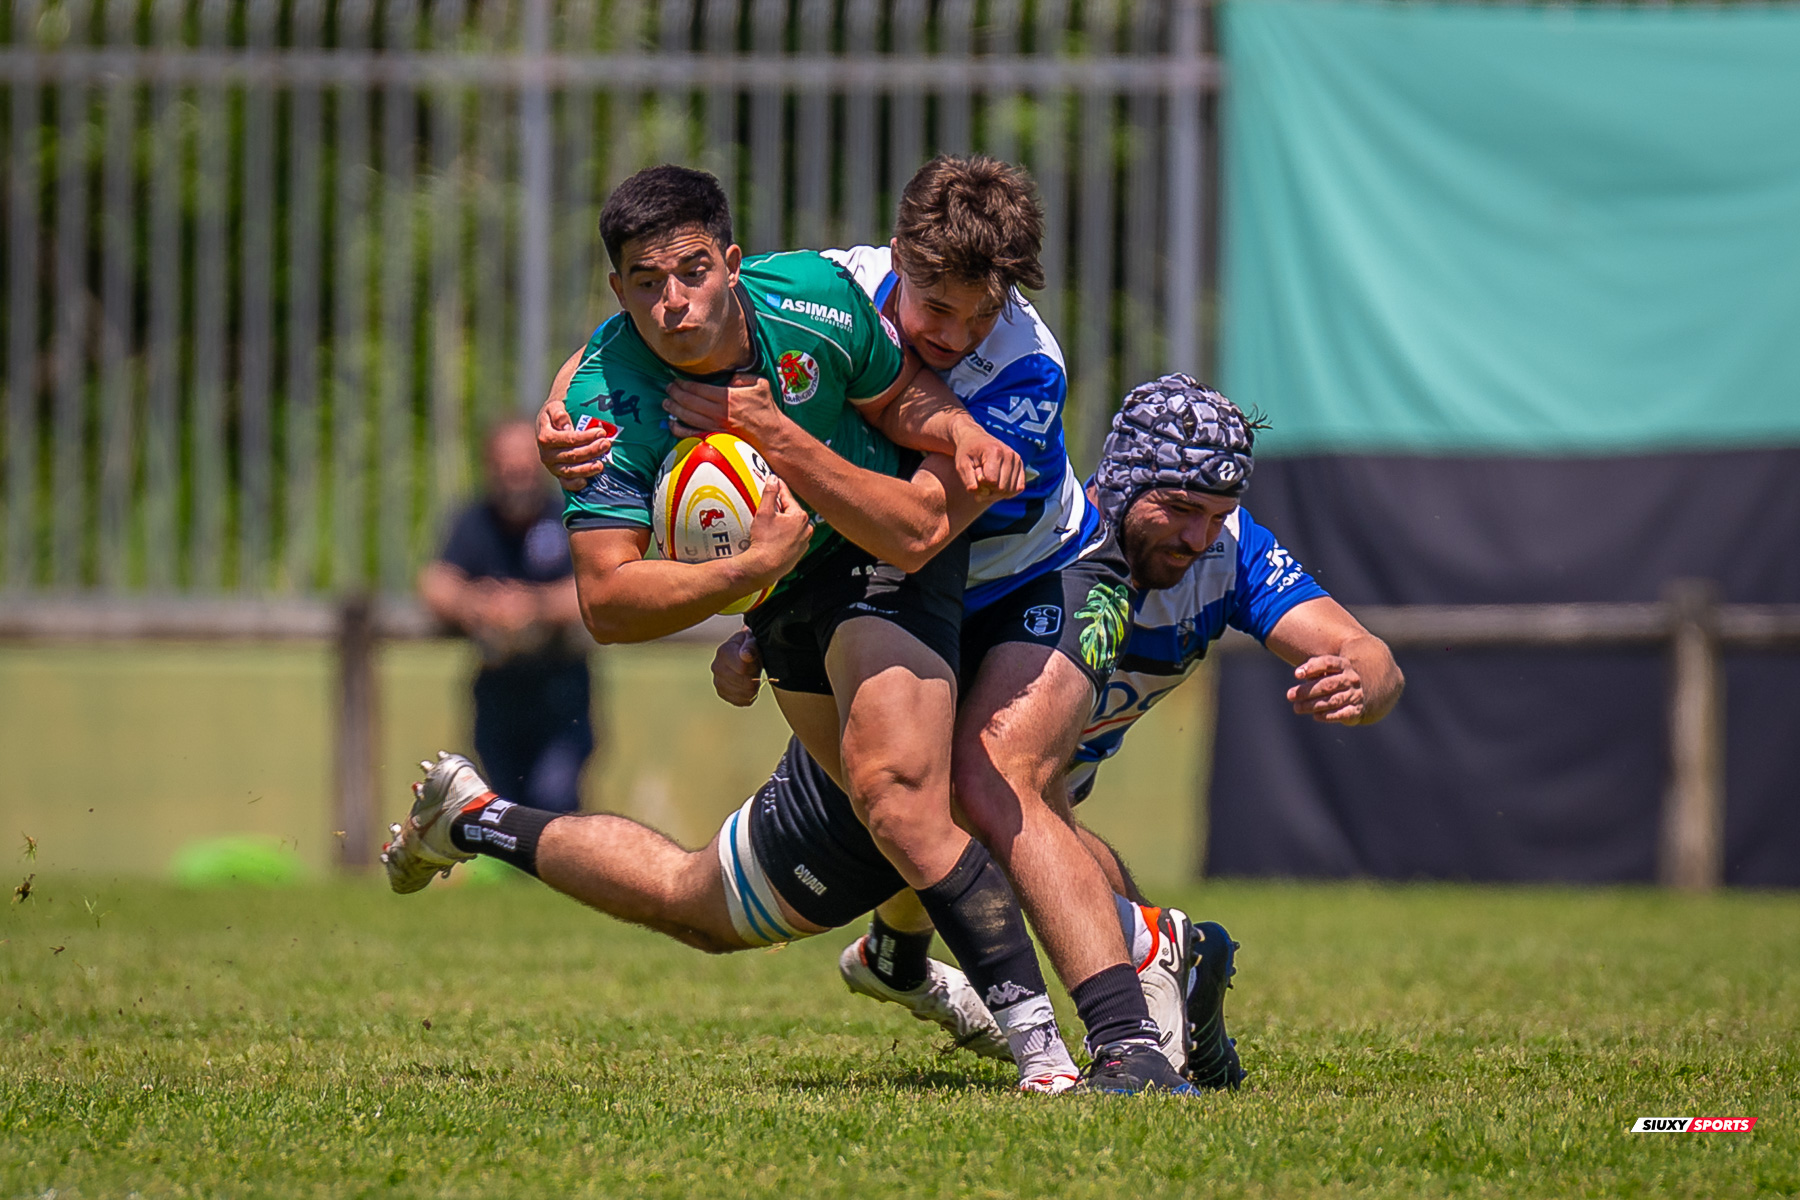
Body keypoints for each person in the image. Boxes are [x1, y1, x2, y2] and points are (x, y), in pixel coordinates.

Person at [389, 163, 1121, 1094]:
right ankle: (478, 819)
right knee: (706, 905)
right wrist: (745, 574)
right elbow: (607, 603)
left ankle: (1077, 1042)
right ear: (617, 293)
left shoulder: (859, 314)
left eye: (692, 272)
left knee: (910, 790)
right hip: (784, 599)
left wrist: (949, 429)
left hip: (914, 565)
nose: (675, 303)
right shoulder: (611, 403)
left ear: (731, 264)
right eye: (646, 286)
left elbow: (905, 462)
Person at [709, 374, 1405, 1089]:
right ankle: (959, 953)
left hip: (1018, 788)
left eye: (1218, 513)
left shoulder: (1232, 553)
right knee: (923, 811)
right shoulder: (1038, 533)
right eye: (1180, 508)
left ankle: (949, 955)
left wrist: (1364, 682)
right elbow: (879, 586)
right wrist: (760, 643)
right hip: (974, 776)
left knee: (984, 807)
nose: (1198, 537)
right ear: (1125, 482)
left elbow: (1366, 654)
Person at [418, 420, 592, 814]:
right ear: (490, 468)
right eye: (507, 469)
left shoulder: (570, 515)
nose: (517, 479)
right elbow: (434, 583)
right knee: (500, 808)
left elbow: (595, 589)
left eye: (525, 469)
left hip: (561, 693)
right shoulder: (474, 521)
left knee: (555, 800)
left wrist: (532, 606)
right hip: (498, 694)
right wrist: (476, 604)